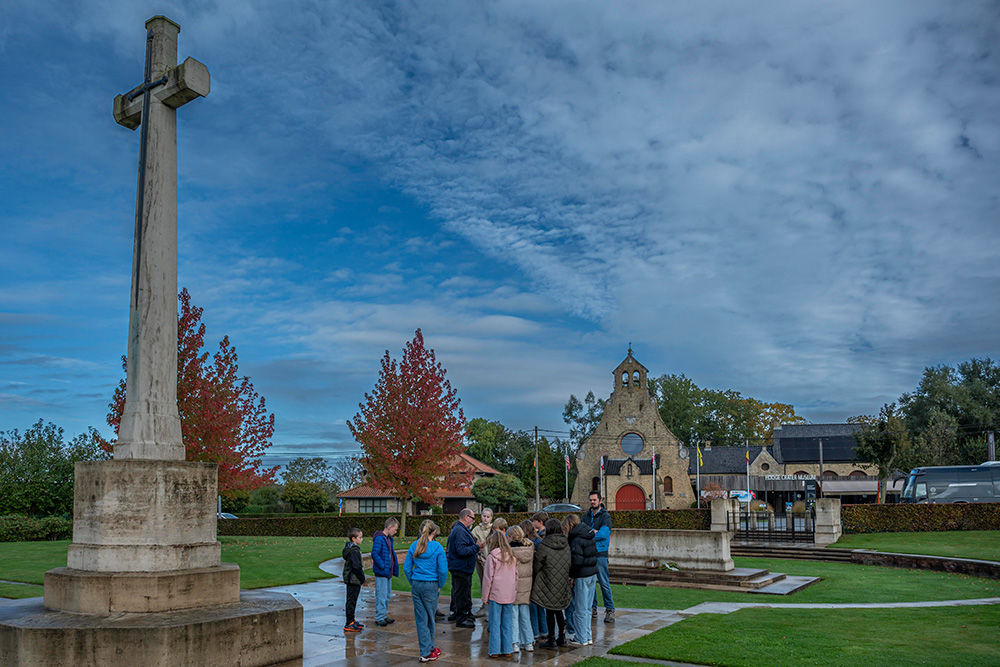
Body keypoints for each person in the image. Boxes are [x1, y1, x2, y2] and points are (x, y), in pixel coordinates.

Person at [405, 519, 449, 663]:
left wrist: (414, 581)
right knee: (430, 619)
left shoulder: (414, 546)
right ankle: (426, 652)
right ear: (434, 532)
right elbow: (443, 570)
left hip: (417, 584)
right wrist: (439, 585)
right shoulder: (437, 548)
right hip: (431, 585)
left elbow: (407, 568)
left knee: (421, 619)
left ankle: (429, 648)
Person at [531, 518, 571, 649]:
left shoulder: (545, 545)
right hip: (562, 580)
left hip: (548, 581)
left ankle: (552, 638)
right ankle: (562, 637)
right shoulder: (566, 543)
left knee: (549, 610)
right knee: (559, 610)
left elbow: (537, 564)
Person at [481, 530, 517, 658]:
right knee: (507, 623)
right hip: (509, 594)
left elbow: (487, 579)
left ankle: (495, 650)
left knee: (494, 624)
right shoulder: (512, 556)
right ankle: (507, 649)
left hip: (496, 595)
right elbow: (515, 576)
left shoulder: (491, 557)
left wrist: (485, 596)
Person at [582, 490, 615, 623]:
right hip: (588, 553)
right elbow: (581, 532)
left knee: (604, 583)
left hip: (600, 554)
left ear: (600, 501)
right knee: (590, 583)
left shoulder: (605, 517)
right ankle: (593, 608)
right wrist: (593, 532)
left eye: (594, 500)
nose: (592, 502)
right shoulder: (585, 516)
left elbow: (603, 534)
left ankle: (610, 610)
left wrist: (590, 534)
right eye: (590, 500)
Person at [564, 514, 598, 646]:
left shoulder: (576, 539)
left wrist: (571, 575)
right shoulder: (588, 534)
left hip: (582, 575)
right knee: (587, 608)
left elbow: (577, 560)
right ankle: (587, 635)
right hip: (592, 573)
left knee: (580, 608)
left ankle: (581, 637)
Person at [446, 508, 480, 628]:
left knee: (463, 593)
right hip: (461, 568)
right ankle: (461, 618)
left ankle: (465, 614)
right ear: (466, 517)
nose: (473, 521)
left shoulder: (461, 529)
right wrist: (477, 547)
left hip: (462, 567)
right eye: (472, 518)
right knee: (461, 594)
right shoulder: (460, 531)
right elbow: (462, 550)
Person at [508, 525, 535, 653]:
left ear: (511, 537)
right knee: (525, 615)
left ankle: (514, 643)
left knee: (513, 616)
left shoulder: (509, 551)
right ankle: (528, 642)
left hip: (513, 586)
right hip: (526, 586)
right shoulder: (529, 549)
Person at [520, 520, 548, 641]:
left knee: (532, 606)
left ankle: (535, 632)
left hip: (530, 576)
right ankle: (544, 630)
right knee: (540, 605)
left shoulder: (526, 543)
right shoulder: (540, 542)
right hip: (540, 576)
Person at [372, 516, 399, 627]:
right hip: (382, 572)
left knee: (387, 595)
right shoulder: (380, 539)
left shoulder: (388, 539)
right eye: (395, 529)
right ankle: (379, 617)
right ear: (389, 527)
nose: (396, 532)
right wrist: (383, 566)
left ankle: (383, 615)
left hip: (388, 572)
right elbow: (375, 554)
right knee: (381, 595)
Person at [470, 507, 494, 617]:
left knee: (491, 584)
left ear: (491, 518)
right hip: (479, 560)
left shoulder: (493, 529)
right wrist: (476, 553)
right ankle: (484, 606)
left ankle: (491, 608)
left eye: (488, 517)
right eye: (484, 516)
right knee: (482, 583)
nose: (485, 518)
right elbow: (471, 543)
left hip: (492, 560)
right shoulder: (476, 530)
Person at [342, 527, 365, 633]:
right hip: (353, 579)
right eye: (360, 537)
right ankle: (349, 623)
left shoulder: (352, 549)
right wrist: (362, 578)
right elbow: (356, 567)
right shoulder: (354, 551)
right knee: (351, 600)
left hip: (353, 579)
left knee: (353, 600)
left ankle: (351, 620)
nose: (362, 539)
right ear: (353, 538)